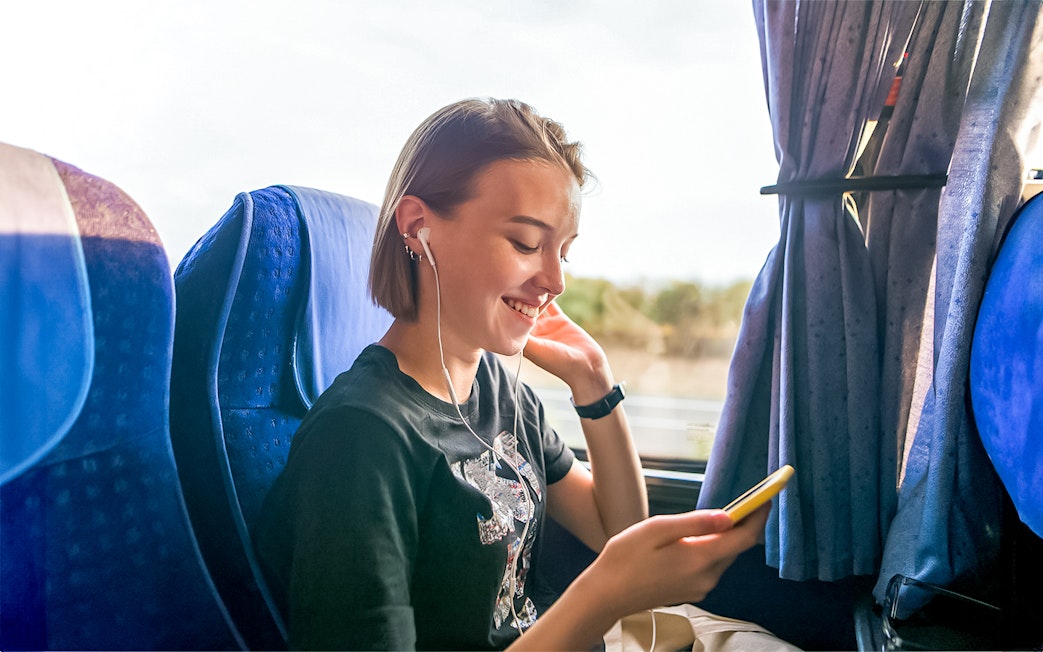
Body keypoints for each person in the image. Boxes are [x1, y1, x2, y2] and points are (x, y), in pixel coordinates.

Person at [255, 97, 769, 651]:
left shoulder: (501, 392)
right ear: (419, 228)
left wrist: (593, 381)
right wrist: (601, 596)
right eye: (527, 243)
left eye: (562, 253)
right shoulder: (361, 437)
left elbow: (614, 529)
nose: (554, 280)